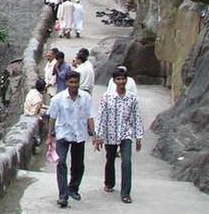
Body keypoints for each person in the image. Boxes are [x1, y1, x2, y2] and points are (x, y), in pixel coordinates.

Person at [93, 66, 144, 204]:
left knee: (126, 161)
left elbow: (136, 117)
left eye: (123, 79)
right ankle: (109, 182)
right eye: (118, 79)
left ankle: (125, 193)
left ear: (126, 80)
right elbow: (101, 116)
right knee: (110, 158)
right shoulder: (107, 97)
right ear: (114, 81)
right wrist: (98, 136)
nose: (121, 81)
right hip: (110, 133)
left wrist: (138, 137)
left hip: (126, 133)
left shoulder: (132, 98)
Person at [47, 70, 95, 208]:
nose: (74, 85)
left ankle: (73, 188)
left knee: (78, 164)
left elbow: (89, 116)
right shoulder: (58, 99)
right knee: (61, 162)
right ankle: (63, 196)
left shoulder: (85, 97)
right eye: (71, 82)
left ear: (79, 82)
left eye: (76, 82)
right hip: (63, 133)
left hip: (79, 134)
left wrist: (94, 134)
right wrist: (49, 136)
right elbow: (52, 117)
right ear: (66, 83)